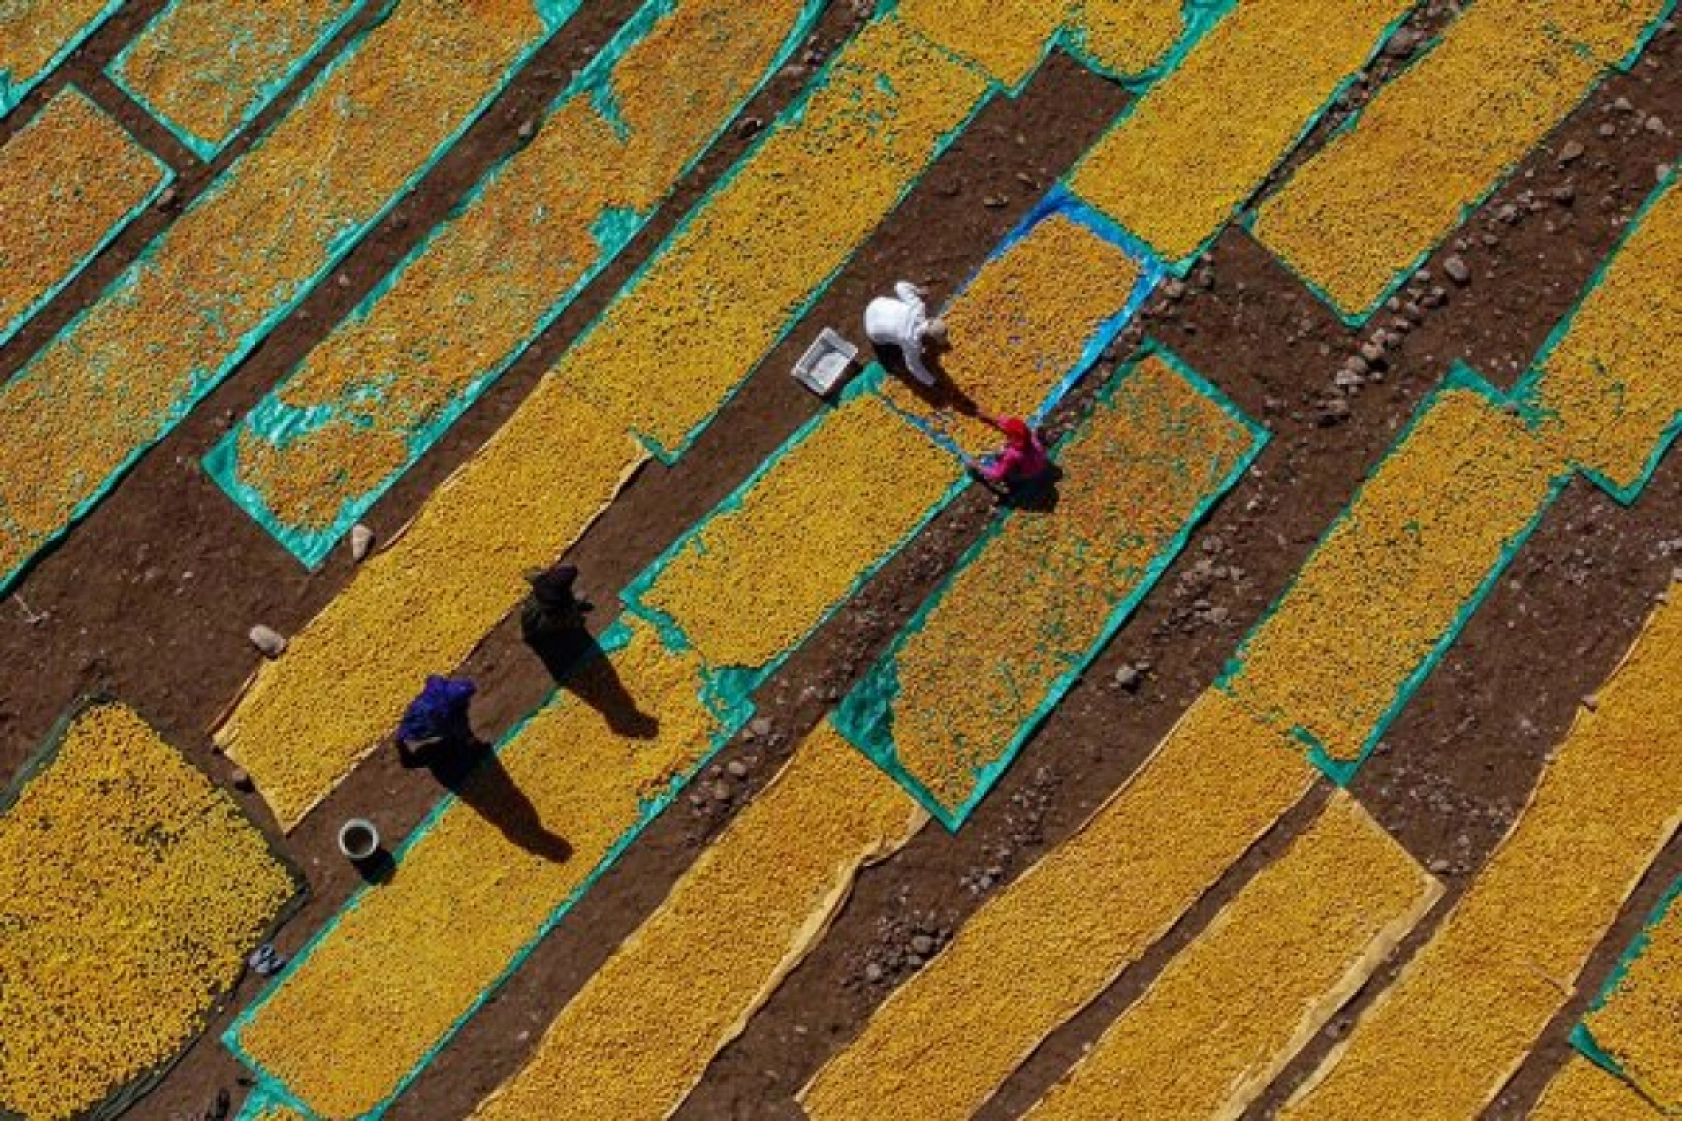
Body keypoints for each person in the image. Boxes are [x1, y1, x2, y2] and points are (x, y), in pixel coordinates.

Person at [864, 281, 948, 386]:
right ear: (928, 339)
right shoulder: (911, 342)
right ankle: (890, 368)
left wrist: (918, 292)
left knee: (896, 337)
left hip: (877, 304)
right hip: (873, 328)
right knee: (891, 354)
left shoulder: (918, 308)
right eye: (934, 343)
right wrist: (932, 382)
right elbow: (913, 367)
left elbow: (899, 286)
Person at [396, 675, 477, 762]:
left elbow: (432, 679)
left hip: (430, 716)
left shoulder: (443, 692)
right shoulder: (439, 712)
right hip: (431, 723)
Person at [965, 414, 1050, 494]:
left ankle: (1007, 483)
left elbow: (997, 474)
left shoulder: (1012, 454)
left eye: (1008, 435)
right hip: (1039, 460)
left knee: (976, 464)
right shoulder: (1030, 436)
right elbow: (1004, 422)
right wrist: (989, 419)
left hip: (1026, 473)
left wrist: (977, 465)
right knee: (1035, 421)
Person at [521, 561, 592, 644]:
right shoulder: (555, 600)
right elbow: (565, 610)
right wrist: (576, 607)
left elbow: (531, 574)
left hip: (535, 611)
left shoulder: (544, 580)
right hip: (536, 627)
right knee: (577, 622)